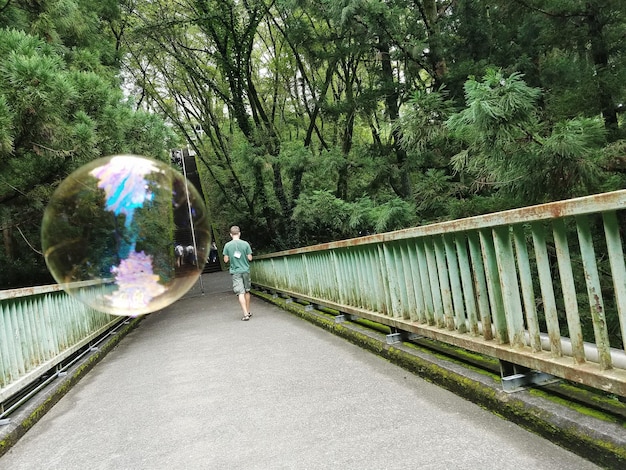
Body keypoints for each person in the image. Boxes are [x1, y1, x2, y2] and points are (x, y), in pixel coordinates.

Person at [222, 225, 253, 321]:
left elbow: (226, 260)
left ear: (231, 234)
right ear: (239, 233)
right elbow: (250, 258)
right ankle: (248, 311)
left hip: (235, 271)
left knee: (240, 292)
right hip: (245, 270)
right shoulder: (245, 244)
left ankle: (245, 314)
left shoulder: (227, 245)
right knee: (247, 291)